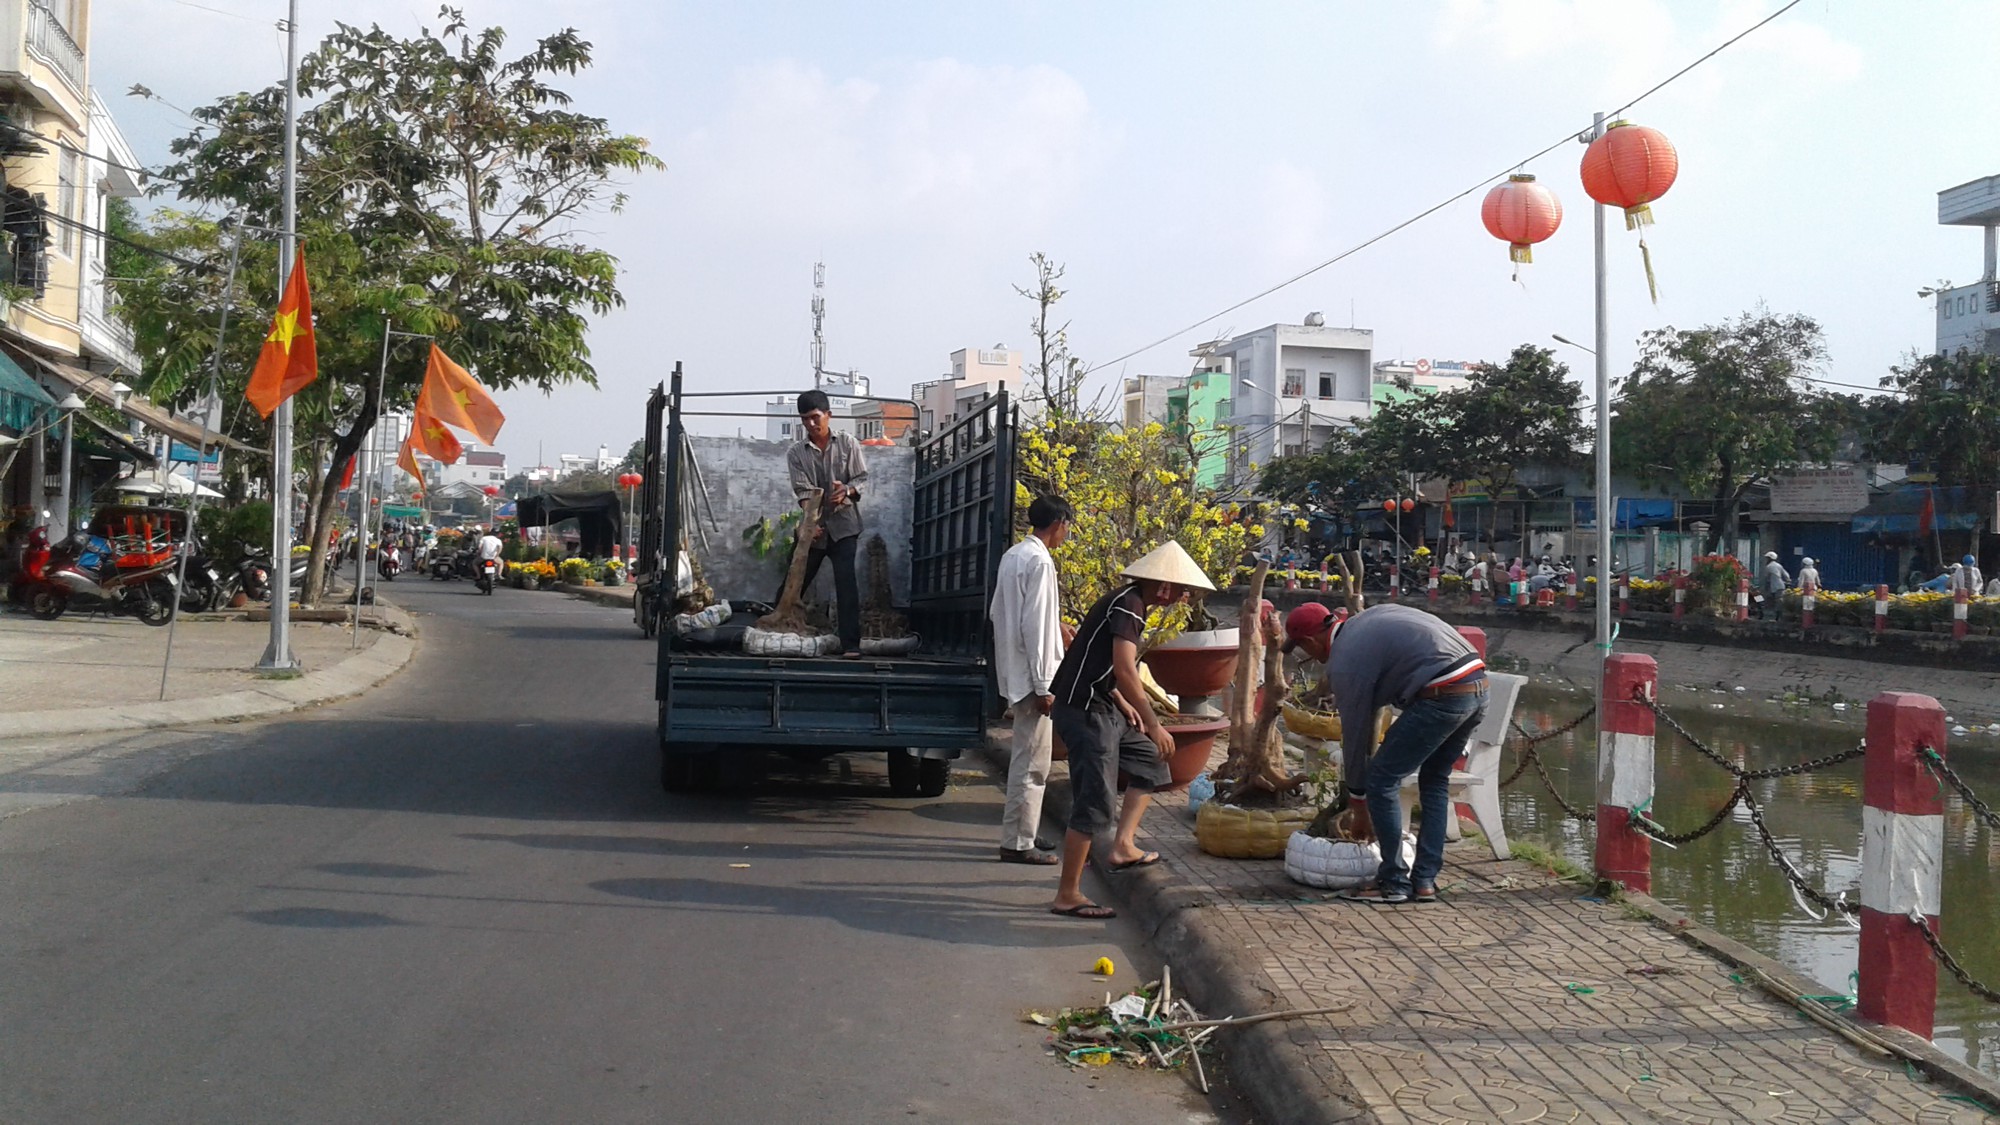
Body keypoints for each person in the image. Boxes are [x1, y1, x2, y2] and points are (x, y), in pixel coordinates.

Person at [1047, 541, 1214, 919]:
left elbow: (1105, 666)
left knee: (1150, 760)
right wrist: (1154, 722)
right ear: (1163, 586)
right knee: (1094, 802)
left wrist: (1126, 706)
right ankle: (1067, 894)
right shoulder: (1129, 604)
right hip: (1085, 711)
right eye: (1181, 590)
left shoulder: (1131, 602)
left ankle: (1123, 845)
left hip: (1103, 704)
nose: (1183, 597)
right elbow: (1124, 667)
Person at [1282, 601, 1487, 905]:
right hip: (1478, 686)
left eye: (1303, 650)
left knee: (1381, 780)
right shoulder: (1367, 620)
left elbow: (1354, 735)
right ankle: (1425, 881)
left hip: (1442, 694)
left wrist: (1358, 802)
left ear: (1310, 642)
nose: (1307, 657)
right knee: (1434, 780)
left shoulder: (1344, 661)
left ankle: (1394, 882)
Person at [990, 495, 1074, 865]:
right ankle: (1019, 842)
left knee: (1026, 760)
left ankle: (1023, 831)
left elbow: (1002, 612)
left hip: (1015, 671)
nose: (1067, 534)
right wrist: (1044, 686)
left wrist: (1054, 630)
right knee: (1033, 765)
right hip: (1033, 677)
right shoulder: (1040, 561)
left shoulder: (1014, 556)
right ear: (1058, 523)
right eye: (1067, 526)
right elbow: (1035, 627)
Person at [784, 388, 868, 657]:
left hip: (845, 526)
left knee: (846, 585)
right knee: (794, 579)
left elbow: (862, 479)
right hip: (814, 528)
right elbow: (802, 490)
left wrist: (847, 490)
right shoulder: (796, 453)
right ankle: (775, 628)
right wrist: (810, 523)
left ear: (829, 415)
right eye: (805, 419)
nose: (811, 423)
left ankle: (851, 646)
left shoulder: (848, 443)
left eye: (815, 417)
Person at [1760, 551, 1790, 620]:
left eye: (1767, 558)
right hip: (1780, 585)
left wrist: (1764, 587)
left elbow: (1767, 578)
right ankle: (1776, 616)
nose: (1766, 560)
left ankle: (1775, 616)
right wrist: (1788, 581)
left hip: (1774, 586)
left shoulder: (1769, 566)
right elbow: (1786, 575)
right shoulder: (1779, 565)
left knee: (1774, 601)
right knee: (1778, 601)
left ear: (1770, 558)